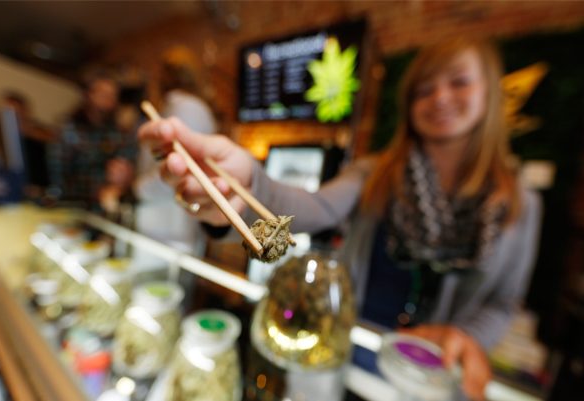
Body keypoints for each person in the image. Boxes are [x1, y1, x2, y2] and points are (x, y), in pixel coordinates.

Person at [138, 37, 542, 401]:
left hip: (430, 379)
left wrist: (467, 336)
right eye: (424, 89)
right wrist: (249, 184)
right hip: (343, 352)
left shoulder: (519, 203)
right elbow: (314, 208)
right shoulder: (375, 174)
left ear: (490, 93)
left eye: (459, 82)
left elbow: (504, 302)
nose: (440, 97)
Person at [134, 47, 218, 259]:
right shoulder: (176, 107)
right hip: (162, 224)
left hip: (172, 229)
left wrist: (136, 188)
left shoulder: (187, 108)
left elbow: (177, 171)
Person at [49, 72, 136, 210]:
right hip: (71, 205)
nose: (108, 99)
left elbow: (127, 164)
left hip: (105, 208)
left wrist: (125, 176)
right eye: (103, 94)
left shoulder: (119, 134)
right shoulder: (69, 130)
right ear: (89, 95)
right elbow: (57, 175)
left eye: (112, 95)